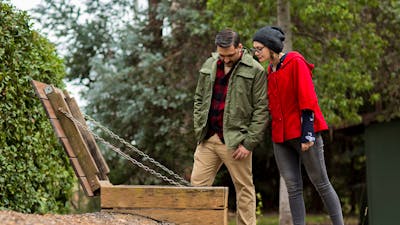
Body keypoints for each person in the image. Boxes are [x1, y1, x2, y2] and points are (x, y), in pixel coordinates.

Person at [252, 26, 344, 225]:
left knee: (321, 183)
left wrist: (308, 133)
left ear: (271, 46)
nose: (256, 53)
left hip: (303, 133)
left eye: (259, 48)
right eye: (255, 49)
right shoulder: (270, 70)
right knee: (293, 187)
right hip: (281, 138)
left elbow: (308, 97)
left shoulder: (295, 61)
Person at [191, 29, 268, 225]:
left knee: (244, 188)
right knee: (196, 188)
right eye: (222, 55)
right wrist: (199, 124)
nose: (225, 59)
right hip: (208, 137)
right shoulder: (210, 64)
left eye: (229, 55)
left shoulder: (255, 70)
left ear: (240, 48)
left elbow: (262, 110)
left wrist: (249, 144)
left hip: (236, 142)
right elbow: (199, 98)